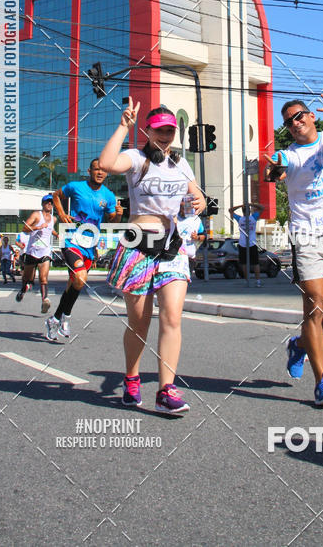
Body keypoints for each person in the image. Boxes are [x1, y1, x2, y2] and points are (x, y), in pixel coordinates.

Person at [100, 98, 206, 415]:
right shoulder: (134, 158)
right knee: (139, 322)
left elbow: (195, 193)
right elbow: (106, 164)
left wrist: (198, 200)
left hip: (172, 245)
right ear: (148, 131)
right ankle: (132, 378)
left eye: (170, 131)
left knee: (172, 317)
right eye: (159, 130)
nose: (165, 136)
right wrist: (124, 126)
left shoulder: (180, 163)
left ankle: (166, 390)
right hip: (138, 243)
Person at [265, 94, 323, 407]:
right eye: (289, 121)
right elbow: (278, 165)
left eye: (299, 116)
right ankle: (322, 382)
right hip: (305, 237)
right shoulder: (289, 154)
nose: (295, 123)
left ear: (312, 117)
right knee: (315, 305)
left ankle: (299, 345)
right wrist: (272, 167)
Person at [45, 160, 121, 341]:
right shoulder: (76, 186)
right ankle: (66, 318)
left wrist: (118, 214)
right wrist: (62, 214)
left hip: (90, 243)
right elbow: (56, 195)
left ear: (107, 174)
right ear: (90, 170)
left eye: (103, 170)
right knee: (80, 277)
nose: (100, 173)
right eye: (96, 169)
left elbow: (112, 223)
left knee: (75, 284)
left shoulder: (108, 196)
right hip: (71, 238)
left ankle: (55, 319)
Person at [16, 195, 56, 313]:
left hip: (45, 252)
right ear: (42, 204)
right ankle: (23, 290)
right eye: (47, 202)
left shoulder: (54, 219)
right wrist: (38, 227)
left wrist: (57, 234)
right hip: (32, 251)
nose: (50, 204)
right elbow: (25, 228)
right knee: (27, 278)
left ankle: (45, 300)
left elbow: (50, 229)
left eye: (51, 203)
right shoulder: (36, 215)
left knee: (43, 278)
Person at [229, 202, 263, 286]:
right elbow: (261, 208)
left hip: (242, 243)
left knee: (244, 263)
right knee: (255, 263)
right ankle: (258, 281)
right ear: (249, 211)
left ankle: (247, 280)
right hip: (252, 243)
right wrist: (251, 204)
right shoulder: (253, 218)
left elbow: (230, 210)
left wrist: (240, 205)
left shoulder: (240, 219)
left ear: (243, 211)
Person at [176, 196, 206, 277]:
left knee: (185, 281)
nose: (185, 210)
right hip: (175, 256)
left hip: (190, 258)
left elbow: (203, 236)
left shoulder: (196, 220)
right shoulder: (174, 218)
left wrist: (197, 237)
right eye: (183, 207)